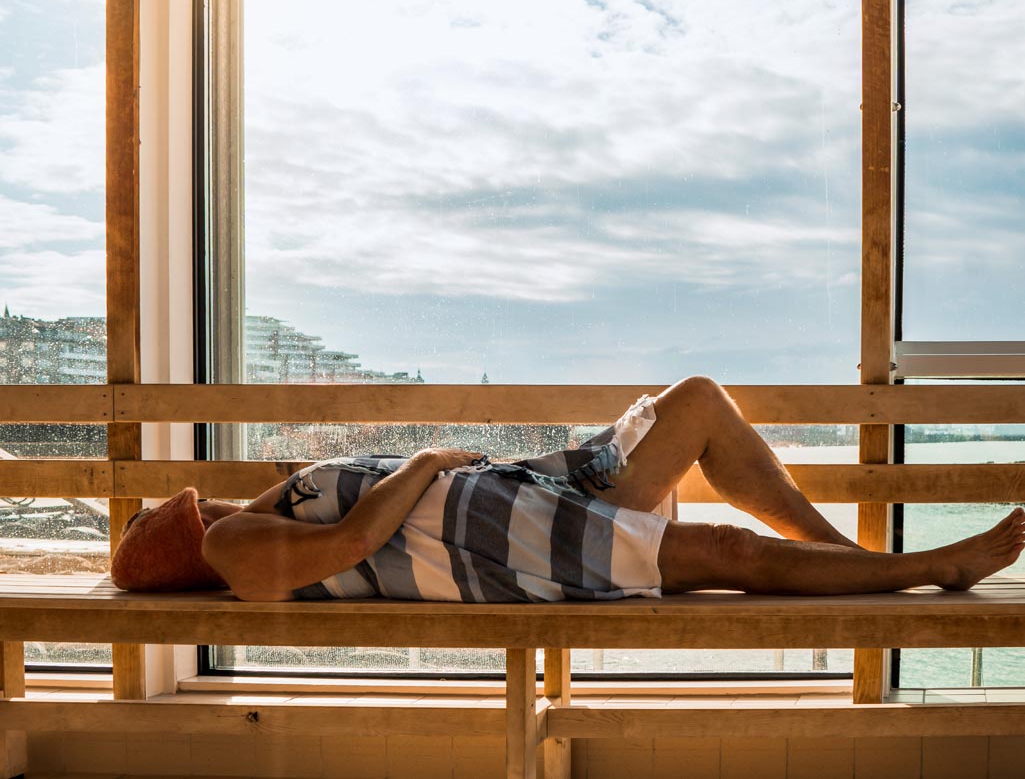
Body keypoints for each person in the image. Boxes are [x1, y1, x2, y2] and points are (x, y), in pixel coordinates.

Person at [110, 376, 1025, 602]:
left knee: (696, 401)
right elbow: (350, 548)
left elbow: (330, 530)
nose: (188, 500)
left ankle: (849, 561)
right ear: (183, 539)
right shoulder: (229, 550)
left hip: (531, 493)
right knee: (726, 552)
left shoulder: (262, 514)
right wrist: (425, 463)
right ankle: (929, 567)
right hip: (508, 547)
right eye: (175, 512)